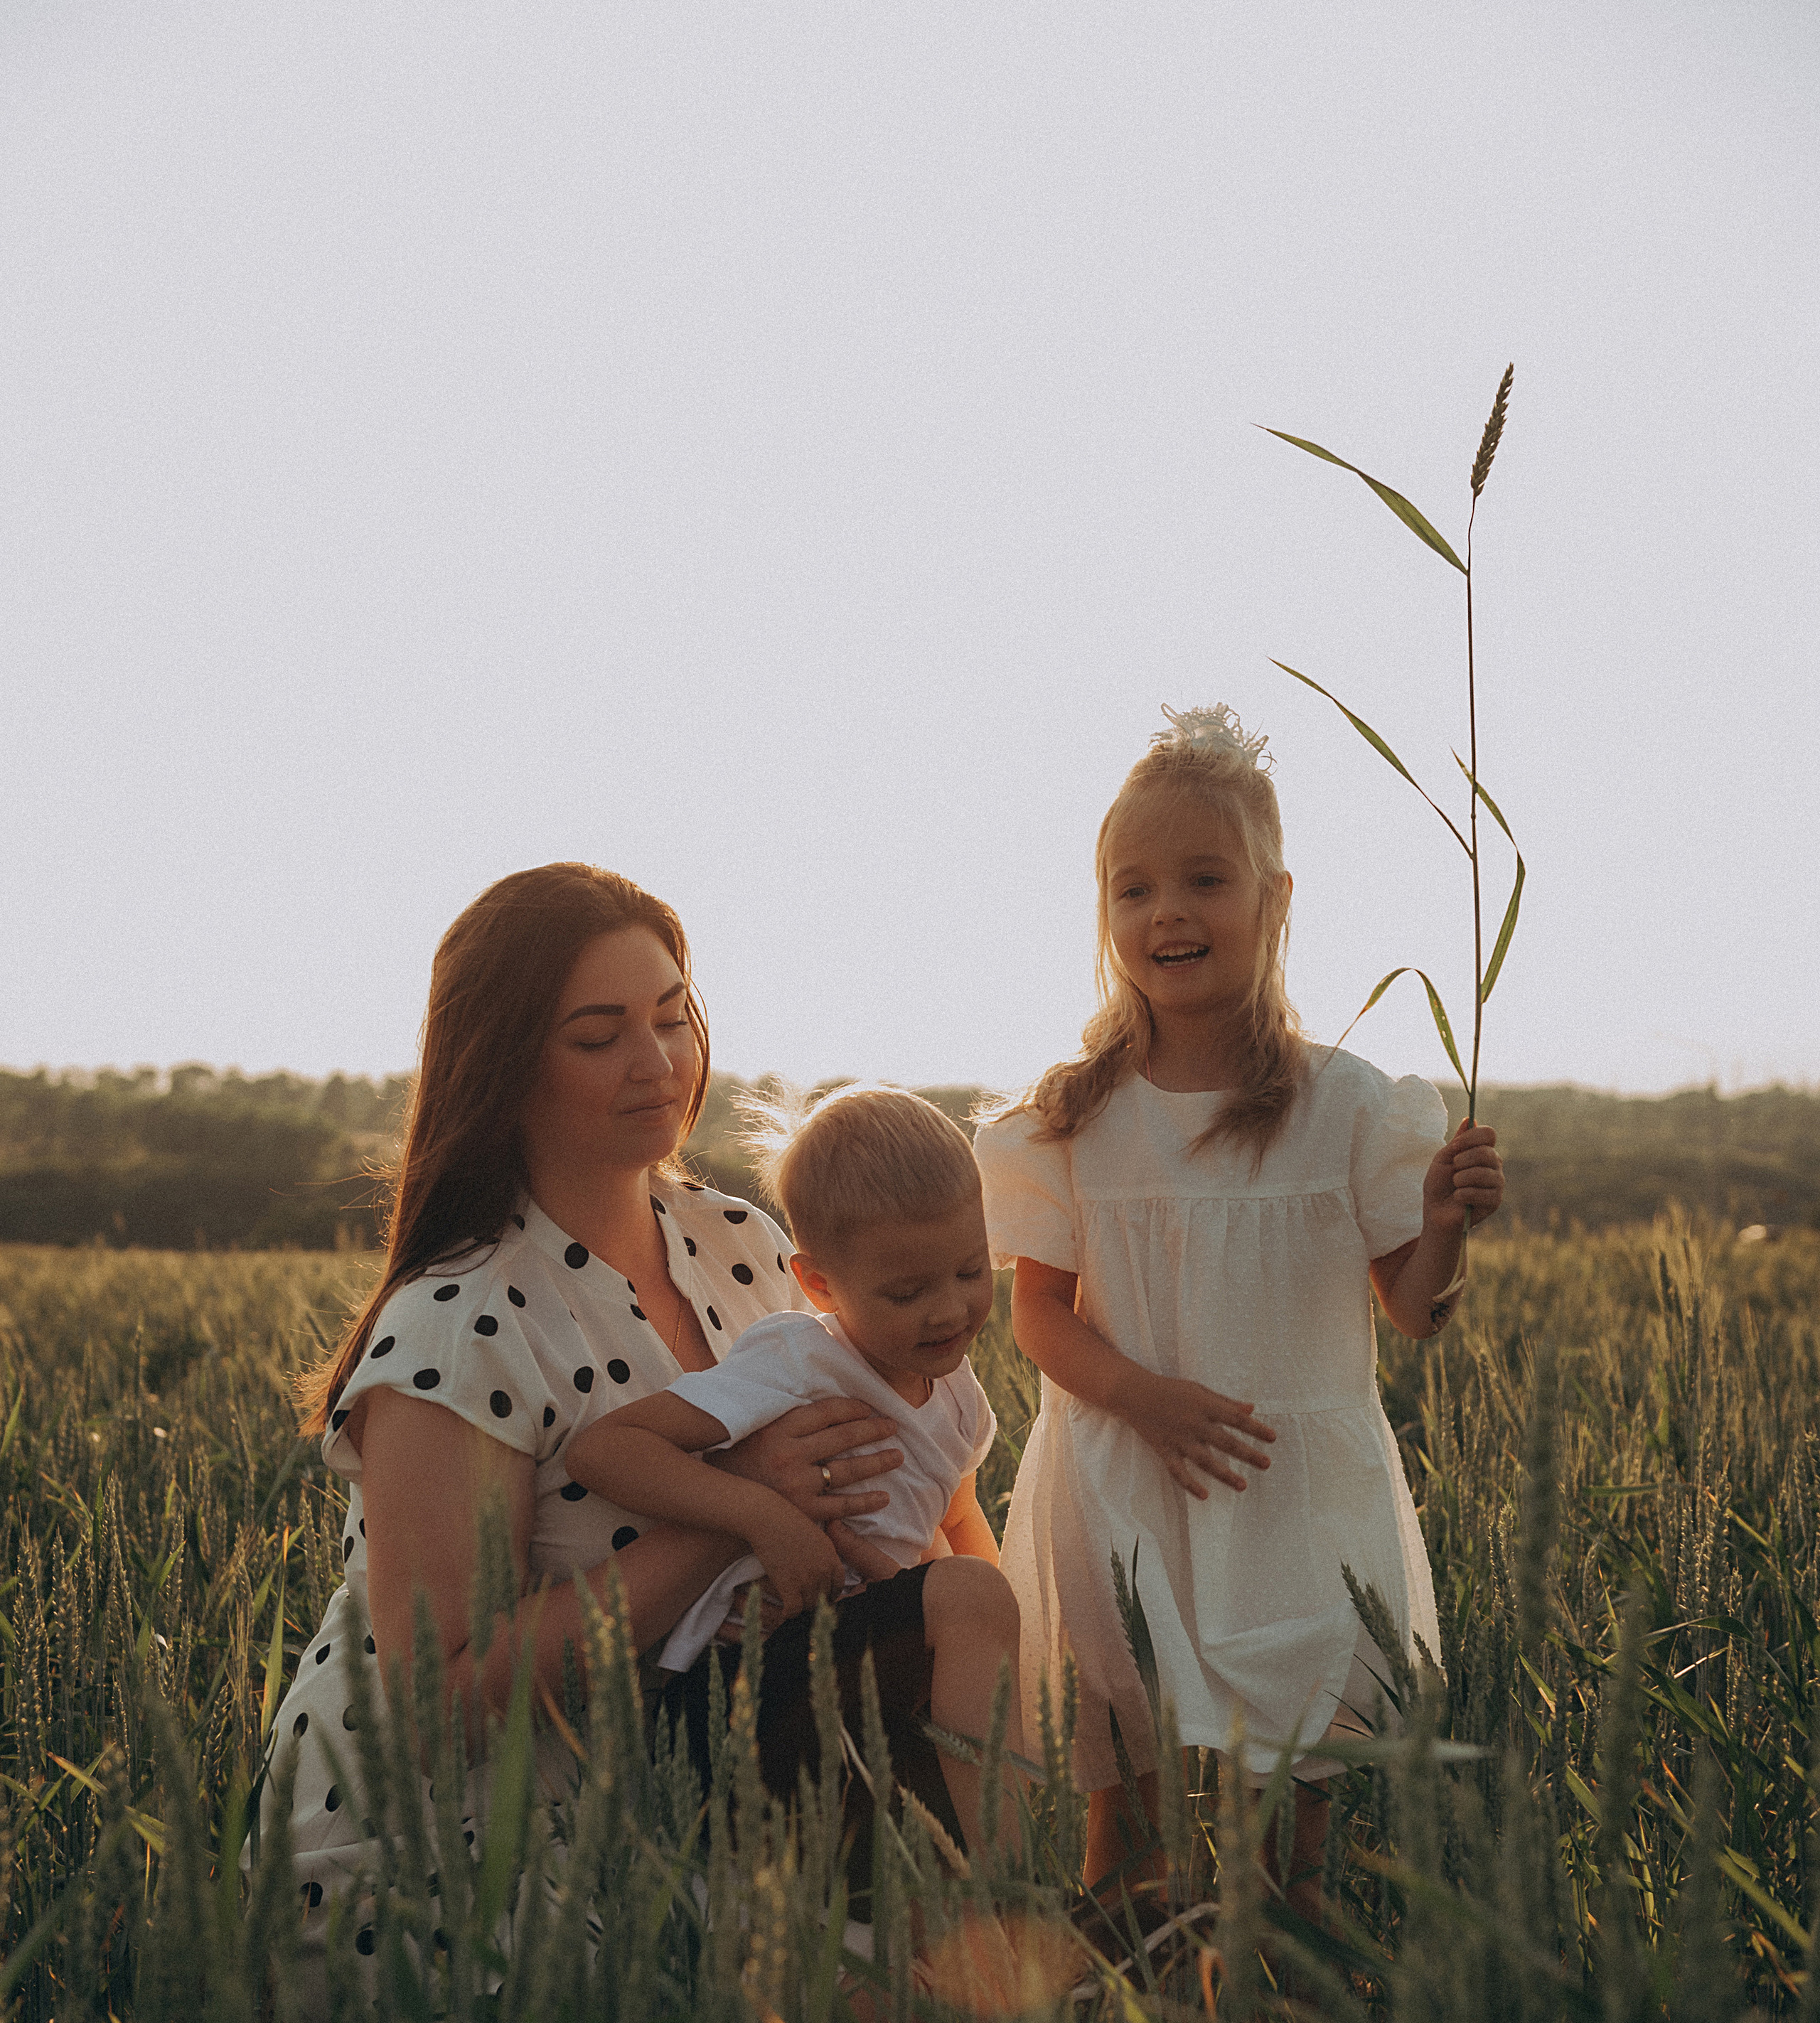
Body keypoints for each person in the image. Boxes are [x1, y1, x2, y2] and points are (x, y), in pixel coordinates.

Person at [271, 863, 914, 1953]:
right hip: (465, 1851)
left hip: (715, 1777)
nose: (656, 1061)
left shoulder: (745, 1243)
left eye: (672, 1018)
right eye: (598, 1034)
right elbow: (435, 1710)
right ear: (507, 1063)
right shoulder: (458, 1321)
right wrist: (728, 1506)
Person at [973, 704, 1504, 1915]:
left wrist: (1446, 1224)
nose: (1168, 914)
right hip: (1122, 1479)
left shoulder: (1354, 1109)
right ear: (1103, 915)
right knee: (1132, 1830)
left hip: (1288, 1494)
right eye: (1133, 889)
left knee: (1289, 1848)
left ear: (1276, 898)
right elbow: (1041, 1324)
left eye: (1206, 880)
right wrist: (1147, 1401)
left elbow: (1416, 1311)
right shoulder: (1072, 1119)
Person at [565, 1083, 1028, 1879]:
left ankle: (968, 1902)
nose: (948, 1310)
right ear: (817, 1284)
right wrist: (758, 1516)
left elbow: (960, 1526)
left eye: (967, 1270)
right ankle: (1011, 1889)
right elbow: (607, 1451)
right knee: (970, 1601)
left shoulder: (955, 1395)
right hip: (736, 1693)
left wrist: (987, 1649)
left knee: (981, 1601)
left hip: (854, 1681)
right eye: (906, 1292)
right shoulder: (800, 1361)